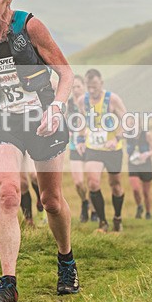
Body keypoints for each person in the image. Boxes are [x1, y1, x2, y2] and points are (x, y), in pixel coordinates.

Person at [0, 0, 79, 302]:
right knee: (8, 192)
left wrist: (57, 108)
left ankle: (66, 261)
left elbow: (66, 73)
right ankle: (8, 284)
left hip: (44, 119)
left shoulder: (29, 26)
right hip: (5, 122)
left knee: (51, 201)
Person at [76, 69, 128, 232]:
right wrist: (80, 140)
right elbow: (81, 122)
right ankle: (103, 223)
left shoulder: (112, 99)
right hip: (93, 148)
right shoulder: (82, 101)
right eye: (89, 87)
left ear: (101, 84)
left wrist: (117, 138)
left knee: (116, 185)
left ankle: (117, 218)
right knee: (92, 183)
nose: (92, 90)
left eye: (95, 87)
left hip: (113, 149)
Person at [66, 74, 92, 223]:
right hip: (74, 145)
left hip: (91, 145)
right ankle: (84, 202)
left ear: (84, 87)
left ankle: (95, 209)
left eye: (78, 87)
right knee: (78, 182)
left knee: (91, 180)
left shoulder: (91, 102)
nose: (75, 90)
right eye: (73, 87)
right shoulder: (68, 104)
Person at [126, 123, 152, 220]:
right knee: (135, 189)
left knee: (146, 192)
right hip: (133, 165)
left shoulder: (147, 135)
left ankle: (148, 212)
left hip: (145, 165)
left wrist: (147, 154)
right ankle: (139, 206)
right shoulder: (128, 135)